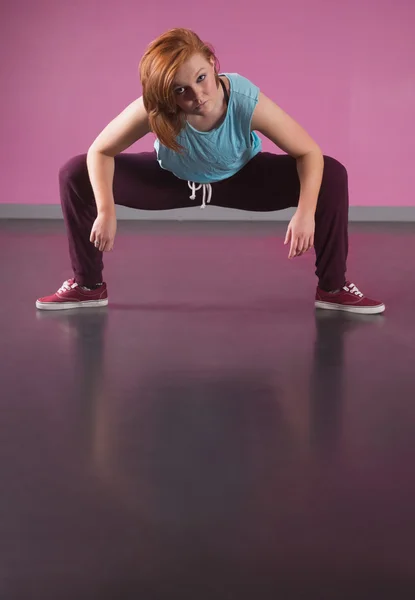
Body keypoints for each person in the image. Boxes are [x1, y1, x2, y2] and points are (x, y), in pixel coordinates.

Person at [36, 28, 385, 314]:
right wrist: (106, 210)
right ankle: (88, 286)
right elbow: (100, 150)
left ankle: (333, 287)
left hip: (242, 179)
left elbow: (308, 151)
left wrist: (306, 212)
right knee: (75, 173)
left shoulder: (244, 99)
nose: (197, 95)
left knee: (332, 174)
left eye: (202, 78)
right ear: (165, 94)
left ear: (213, 64)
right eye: (180, 91)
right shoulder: (154, 108)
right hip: (172, 182)